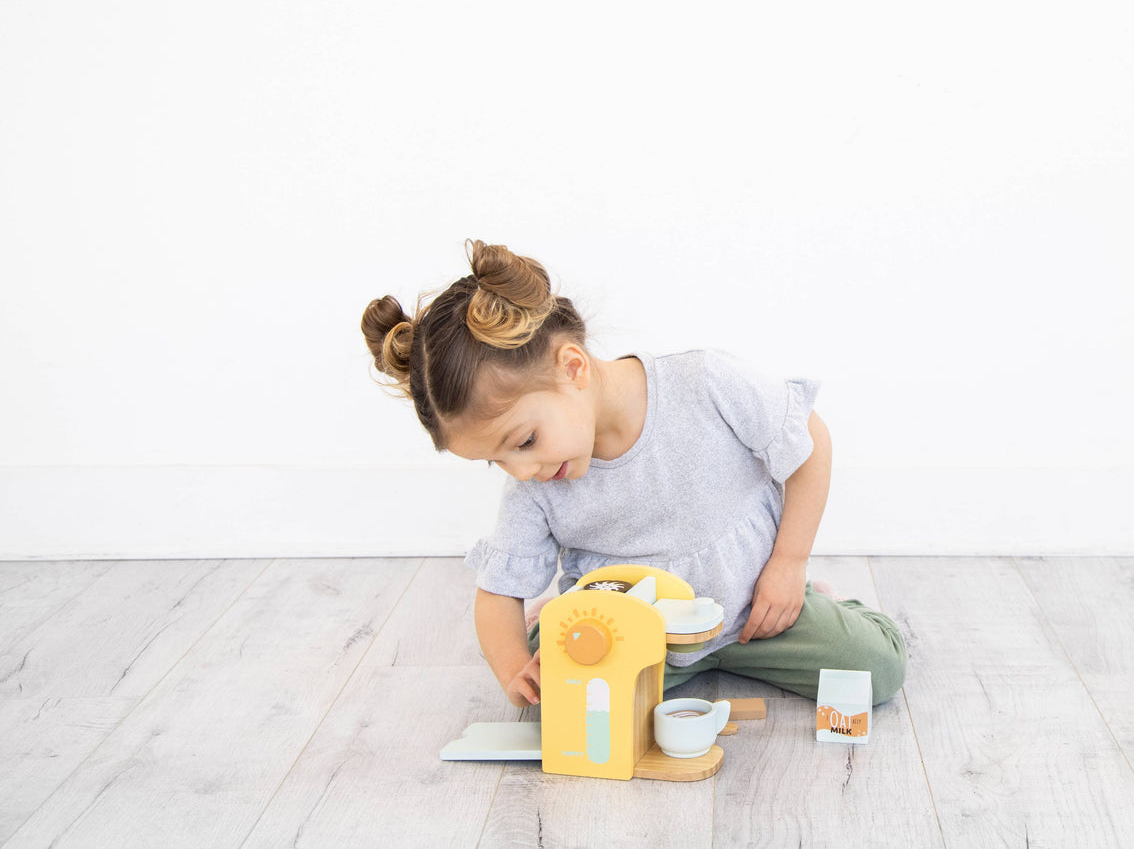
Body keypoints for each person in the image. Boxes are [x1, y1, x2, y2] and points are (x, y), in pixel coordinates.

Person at [361, 238, 907, 709]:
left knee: (874, 671)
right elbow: (498, 593)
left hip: (754, 612)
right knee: (559, 706)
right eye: (497, 460)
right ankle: (568, 622)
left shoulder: (703, 384)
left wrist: (788, 565)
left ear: (572, 368)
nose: (521, 471)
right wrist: (514, 671)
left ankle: (825, 603)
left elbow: (811, 445)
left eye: (524, 442)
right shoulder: (535, 487)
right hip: (636, 642)